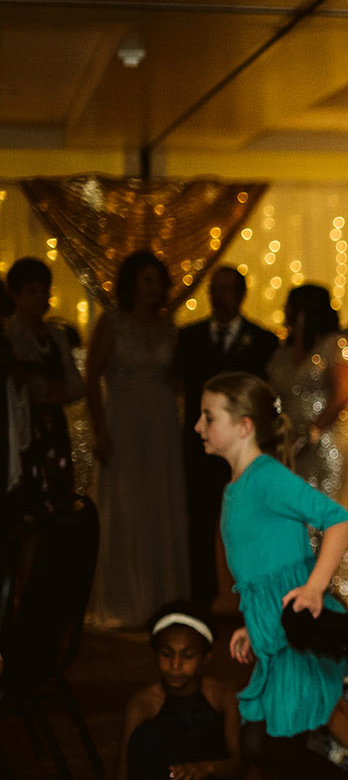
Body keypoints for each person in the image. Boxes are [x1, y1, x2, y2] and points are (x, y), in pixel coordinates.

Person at [197, 371, 348, 780]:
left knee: (281, 752)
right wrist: (250, 625)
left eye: (208, 417)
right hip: (276, 636)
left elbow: (339, 520)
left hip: (300, 632)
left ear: (244, 425)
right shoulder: (238, 487)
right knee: (261, 744)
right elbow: (262, 573)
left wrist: (314, 588)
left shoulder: (266, 477)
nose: (198, 426)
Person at [114, 607, 278, 780]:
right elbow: (123, 776)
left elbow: (239, 764)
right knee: (148, 739)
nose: (175, 665)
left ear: (206, 658)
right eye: (166, 654)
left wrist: (206, 768)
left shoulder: (222, 694)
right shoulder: (143, 702)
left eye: (188, 656)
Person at [84, 250, 189, 630]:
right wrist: (100, 430)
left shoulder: (169, 326)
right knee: (126, 507)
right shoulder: (112, 322)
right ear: (131, 283)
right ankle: (123, 601)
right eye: (146, 280)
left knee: (160, 506)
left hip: (162, 422)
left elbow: (177, 378)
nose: (153, 288)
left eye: (158, 281)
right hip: (123, 421)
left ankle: (160, 600)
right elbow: (91, 377)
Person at [175, 266, 278, 606]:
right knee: (201, 520)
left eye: (225, 290)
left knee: (248, 517)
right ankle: (202, 599)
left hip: (244, 445)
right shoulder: (188, 338)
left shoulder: (264, 341)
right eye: (214, 290)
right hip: (201, 445)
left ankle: (252, 592)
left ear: (241, 294)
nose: (218, 297)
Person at [268, 284, 348, 599]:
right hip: (291, 446)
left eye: (290, 306)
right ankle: (300, 592)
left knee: (328, 515)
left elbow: (342, 396)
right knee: (297, 517)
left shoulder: (336, 345)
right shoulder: (283, 351)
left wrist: (311, 432)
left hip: (330, 444)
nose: (285, 312)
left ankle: (333, 595)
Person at [5, 257, 84, 520]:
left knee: (59, 493)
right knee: (30, 497)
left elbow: (75, 385)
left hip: (54, 427)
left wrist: (48, 390)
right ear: (15, 295)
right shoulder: (11, 337)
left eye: (43, 291)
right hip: (25, 428)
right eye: (32, 291)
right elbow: (24, 389)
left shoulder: (56, 335)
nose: (40, 298)